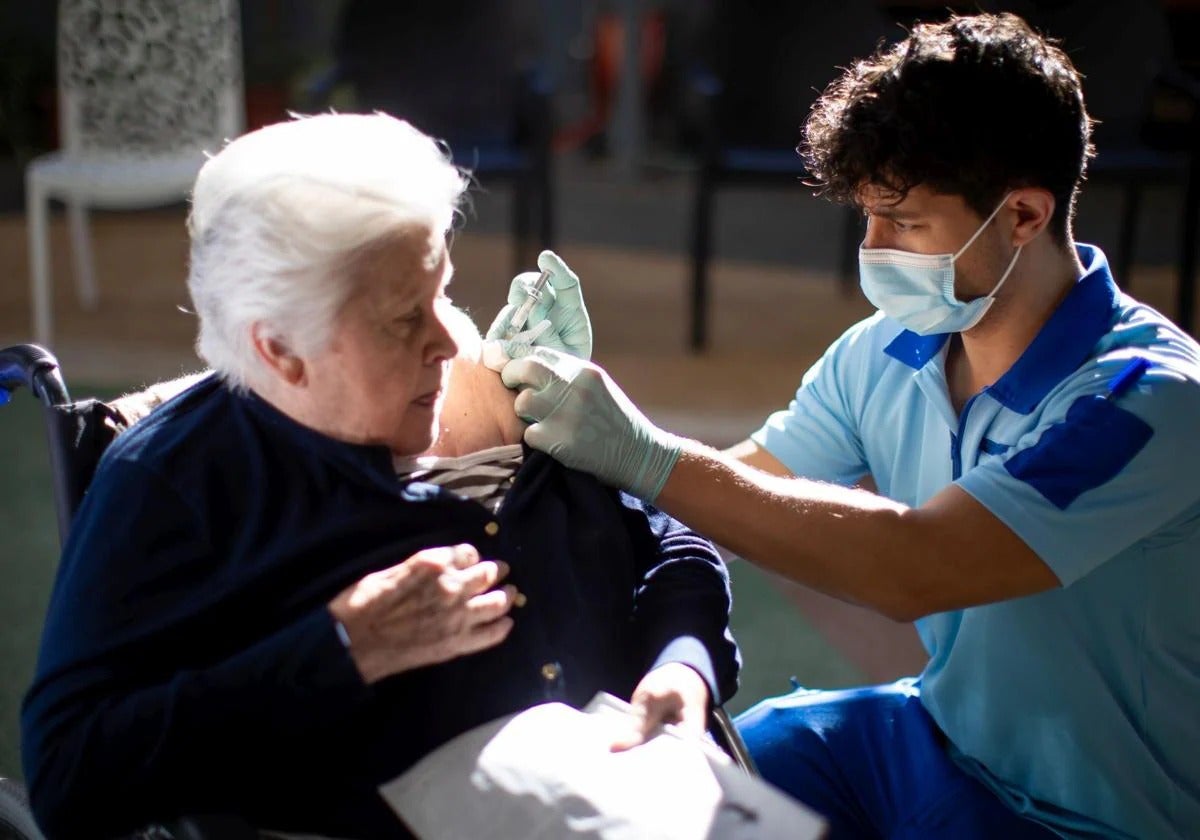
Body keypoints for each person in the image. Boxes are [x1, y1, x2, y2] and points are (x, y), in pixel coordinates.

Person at [495, 13, 1200, 839]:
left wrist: (644, 451)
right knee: (689, 779)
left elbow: (919, 566)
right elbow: (735, 494)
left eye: (904, 224)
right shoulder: (887, 350)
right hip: (937, 734)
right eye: (866, 216)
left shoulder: (1148, 399)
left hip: (1100, 815)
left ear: (1024, 216)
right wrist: (562, 420)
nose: (873, 250)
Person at [20, 113, 739, 840]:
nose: (450, 339)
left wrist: (682, 667)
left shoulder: (502, 391)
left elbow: (668, 543)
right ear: (281, 350)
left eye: (442, 291)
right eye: (404, 319)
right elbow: (69, 775)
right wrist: (342, 649)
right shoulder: (177, 480)